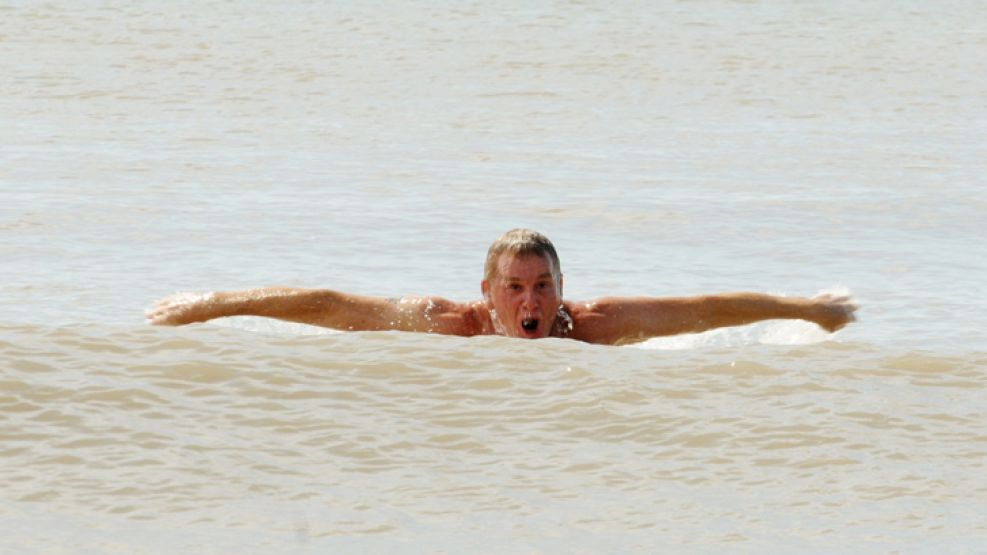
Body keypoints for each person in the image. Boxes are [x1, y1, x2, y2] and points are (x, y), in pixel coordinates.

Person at [146, 228, 857, 345]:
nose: (530, 304)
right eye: (514, 288)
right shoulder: (448, 323)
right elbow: (328, 306)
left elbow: (703, 312)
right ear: (485, 292)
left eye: (543, 286)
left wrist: (808, 310)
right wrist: (207, 306)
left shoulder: (594, 325)